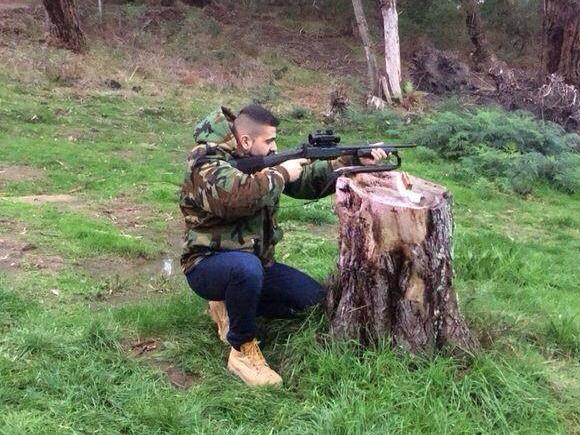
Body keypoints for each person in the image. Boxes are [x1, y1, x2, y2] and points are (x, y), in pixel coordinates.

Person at [179, 104, 387, 386]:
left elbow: (307, 183)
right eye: (269, 141)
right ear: (246, 141)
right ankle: (241, 350)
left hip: (257, 265)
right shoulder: (205, 162)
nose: (275, 147)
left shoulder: (262, 161)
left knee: (313, 302)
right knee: (245, 270)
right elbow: (235, 198)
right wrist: (281, 174)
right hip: (207, 264)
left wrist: (349, 160)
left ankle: (231, 305)